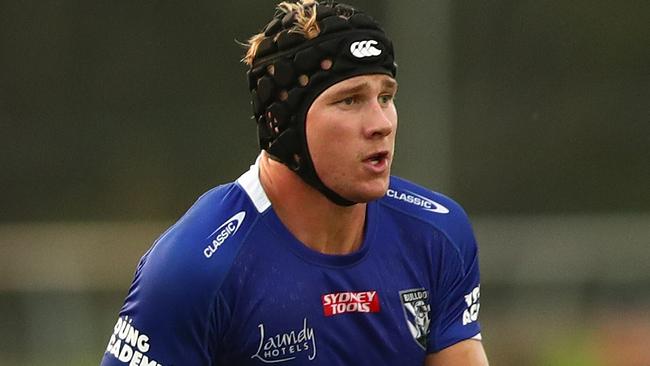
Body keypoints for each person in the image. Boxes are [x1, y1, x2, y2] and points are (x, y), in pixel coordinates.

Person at [99, 1, 488, 365]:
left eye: (386, 97)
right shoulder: (195, 268)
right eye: (349, 100)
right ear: (279, 122)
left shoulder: (438, 235)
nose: (381, 124)